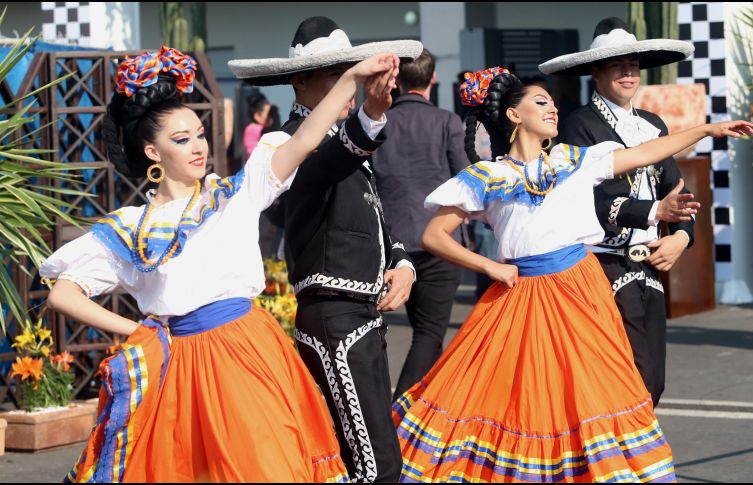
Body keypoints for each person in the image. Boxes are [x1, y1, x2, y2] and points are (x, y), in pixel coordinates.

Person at [40, 45, 400, 482]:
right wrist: (138, 332)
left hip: (249, 353)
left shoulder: (235, 194)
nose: (198, 147)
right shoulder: (131, 228)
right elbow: (63, 292)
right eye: (181, 139)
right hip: (180, 367)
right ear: (153, 153)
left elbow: (306, 138)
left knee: (267, 466)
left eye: (199, 135)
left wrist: (353, 79)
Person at [392, 66, 753, 482]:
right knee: (525, 400)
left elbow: (649, 151)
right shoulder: (487, 176)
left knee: (593, 393)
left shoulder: (574, 159)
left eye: (552, 102)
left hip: (581, 292)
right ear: (513, 115)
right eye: (541, 102)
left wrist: (706, 130)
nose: (553, 109)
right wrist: (489, 266)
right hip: (520, 298)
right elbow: (435, 236)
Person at [229, 16, 422, 482]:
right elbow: (325, 166)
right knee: (373, 465)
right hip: (335, 316)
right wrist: (371, 116)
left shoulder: (338, 139)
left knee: (364, 458)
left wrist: (402, 262)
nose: (349, 84)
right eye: (337, 76)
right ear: (300, 81)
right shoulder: (286, 144)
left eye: (351, 72)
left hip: (358, 314)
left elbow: (374, 214)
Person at [541, 17, 700, 406]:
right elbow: (592, 202)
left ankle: (628, 460)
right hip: (603, 265)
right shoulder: (579, 126)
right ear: (596, 72)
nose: (628, 72)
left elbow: (677, 192)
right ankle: (625, 463)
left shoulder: (652, 124)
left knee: (653, 383)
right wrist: (655, 211)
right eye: (617, 65)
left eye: (633, 64)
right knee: (630, 378)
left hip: (650, 264)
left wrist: (680, 236)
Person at [370, 48, 468, 400]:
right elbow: (465, 178)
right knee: (428, 334)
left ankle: (420, 412)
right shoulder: (446, 121)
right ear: (433, 78)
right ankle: (401, 414)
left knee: (406, 334)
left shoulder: (379, 123)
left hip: (390, 240)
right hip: (439, 239)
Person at [242, 92, 272, 158]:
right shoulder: (252, 129)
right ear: (257, 116)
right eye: (269, 114)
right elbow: (251, 151)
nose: (272, 117)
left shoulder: (267, 128)